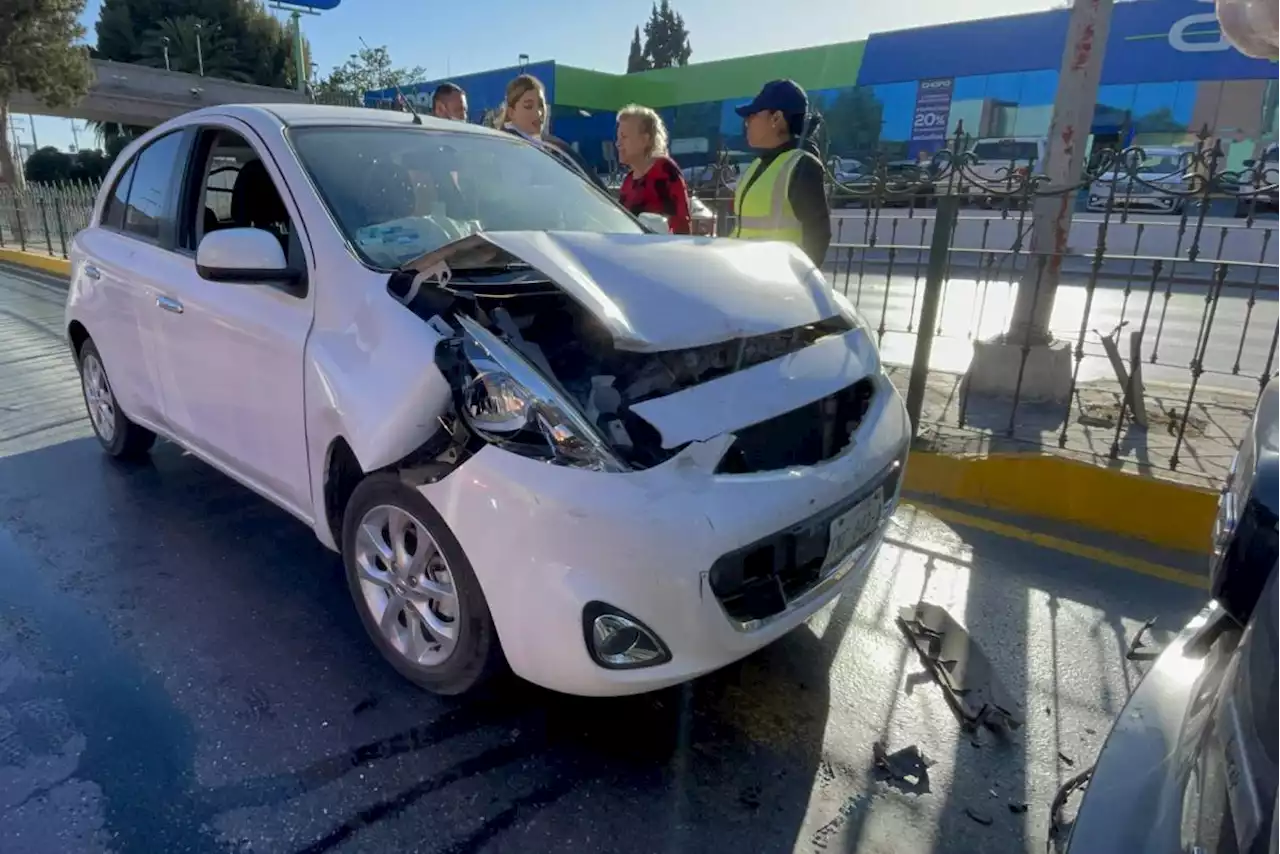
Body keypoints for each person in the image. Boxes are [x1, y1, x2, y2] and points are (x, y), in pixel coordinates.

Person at [733, 79, 831, 266]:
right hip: (747, 280)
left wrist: (798, 285)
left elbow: (817, 236)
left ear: (776, 118)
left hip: (777, 286)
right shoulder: (758, 165)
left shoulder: (801, 166)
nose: (747, 122)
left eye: (753, 115)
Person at [497, 74, 608, 191]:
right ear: (511, 112)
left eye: (541, 105)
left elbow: (593, 187)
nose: (539, 113)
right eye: (528, 106)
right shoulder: (502, 150)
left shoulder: (556, 147)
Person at [615, 104, 692, 234]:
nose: (618, 144)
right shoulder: (629, 180)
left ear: (645, 139)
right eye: (618, 138)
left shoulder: (664, 171)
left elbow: (681, 224)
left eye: (624, 137)